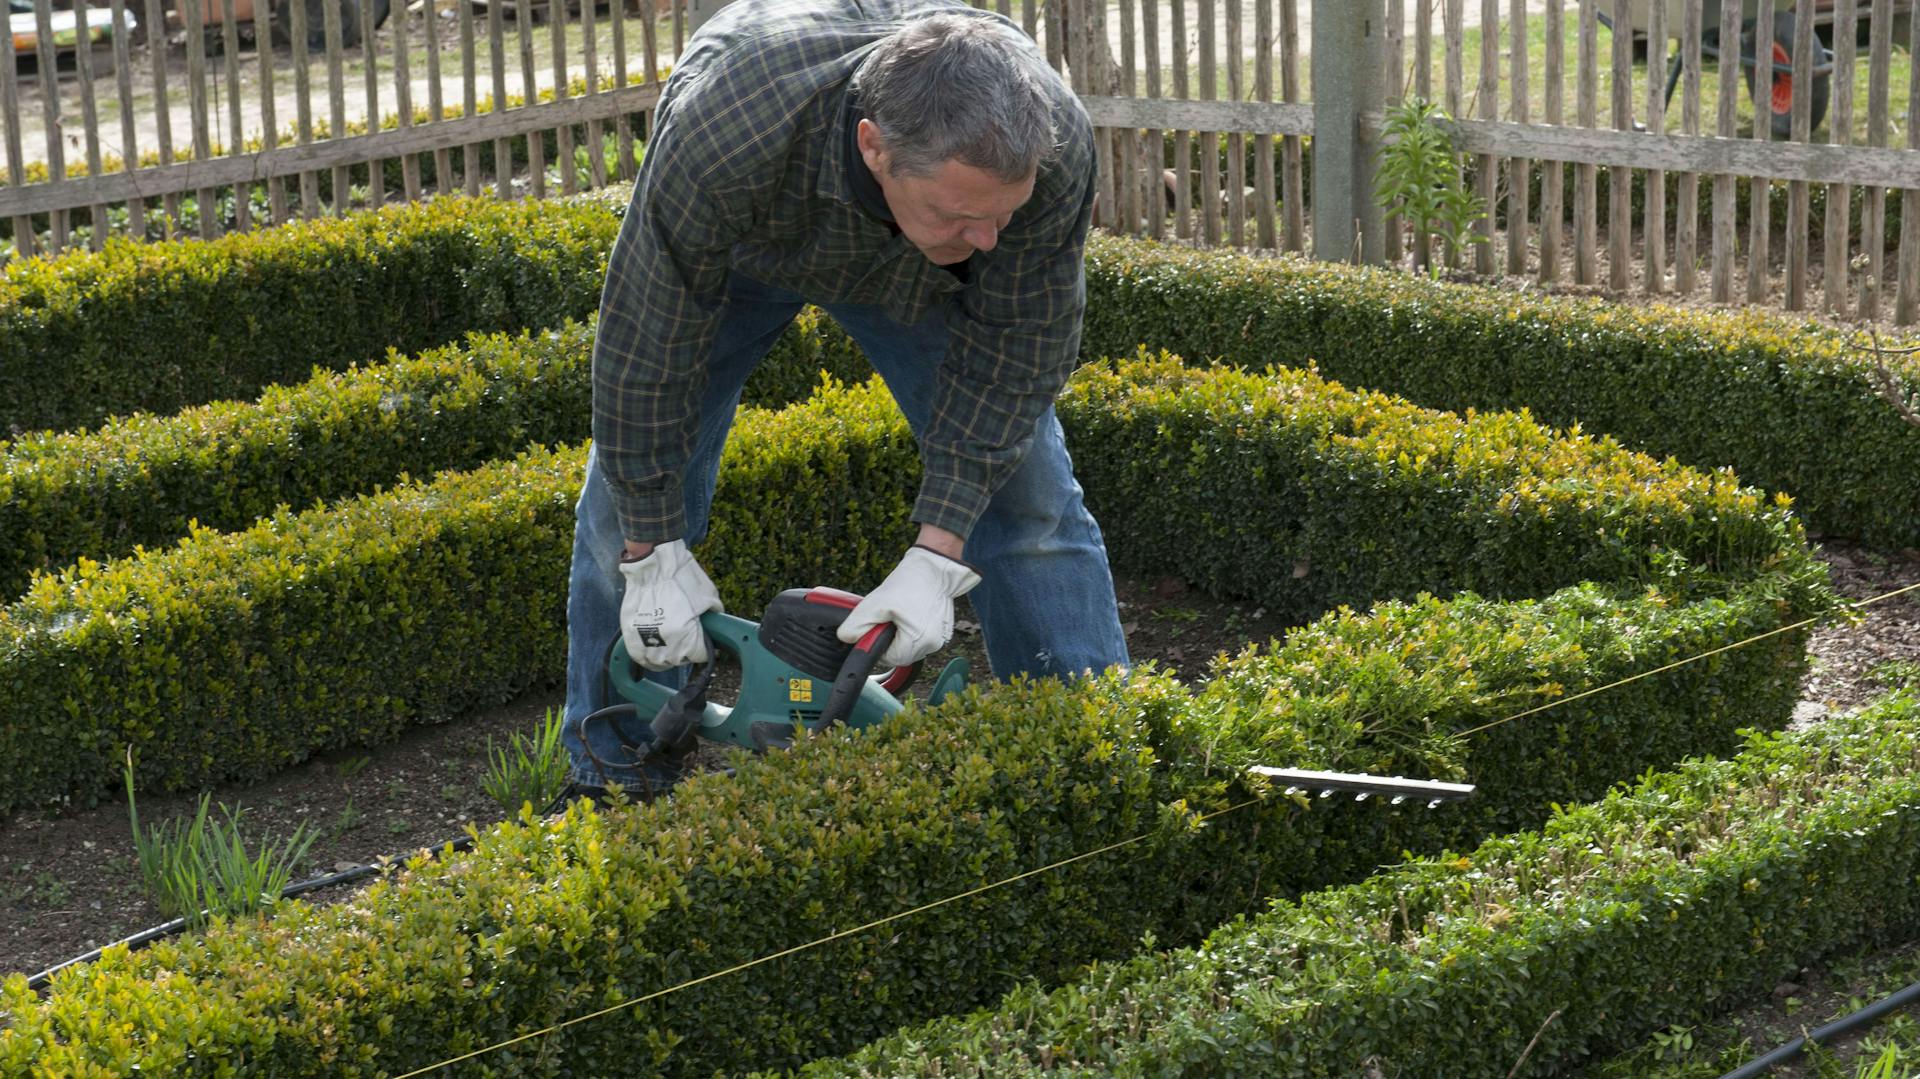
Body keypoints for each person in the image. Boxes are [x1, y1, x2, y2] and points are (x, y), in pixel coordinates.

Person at [560, 0, 1130, 800]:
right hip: (750, 239)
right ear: (874, 147)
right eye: (963, 213)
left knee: (1031, 500)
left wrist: (939, 553)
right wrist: (650, 553)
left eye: (1002, 214)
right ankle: (612, 770)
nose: (992, 238)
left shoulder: (1049, 146)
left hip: (925, 272)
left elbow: (1021, 347)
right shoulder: (729, 125)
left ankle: (1098, 757)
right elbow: (644, 344)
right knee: (617, 517)